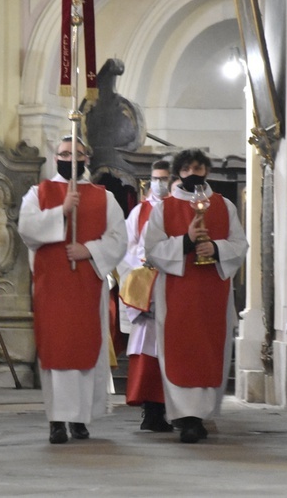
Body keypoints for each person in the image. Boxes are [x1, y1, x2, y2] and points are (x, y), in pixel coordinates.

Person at [18, 135, 127, 444]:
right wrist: (61, 211)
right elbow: (26, 227)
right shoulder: (38, 193)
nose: (71, 159)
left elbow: (119, 238)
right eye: (65, 153)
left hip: (86, 284)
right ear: (56, 158)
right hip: (52, 285)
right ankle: (57, 420)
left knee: (84, 347)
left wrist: (90, 250)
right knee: (56, 352)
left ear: (87, 159)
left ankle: (79, 420)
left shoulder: (103, 197)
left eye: (77, 154)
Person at [144, 148, 248, 443]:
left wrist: (215, 249)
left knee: (208, 349)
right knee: (181, 349)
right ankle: (185, 418)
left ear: (207, 171)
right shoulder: (163, 208)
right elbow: (151, 249)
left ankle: (201, 415)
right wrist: (187, 243)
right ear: (179, 173)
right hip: (177, 292)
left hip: (212, 292)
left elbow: (240, 244)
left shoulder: (224, 205)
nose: (193, 174)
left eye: (198, 168)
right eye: (187, 169)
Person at [118, 159, 173, 432]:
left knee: (173, 351)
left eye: (164, 178)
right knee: (147, 350)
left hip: (172, 286)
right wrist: (141, 262)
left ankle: (174, 410)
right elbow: (124, 249)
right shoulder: (139, 212)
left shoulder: (180, 208)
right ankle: (150, 410)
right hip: (146, 288)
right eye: (155, 178)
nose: (159, 183)